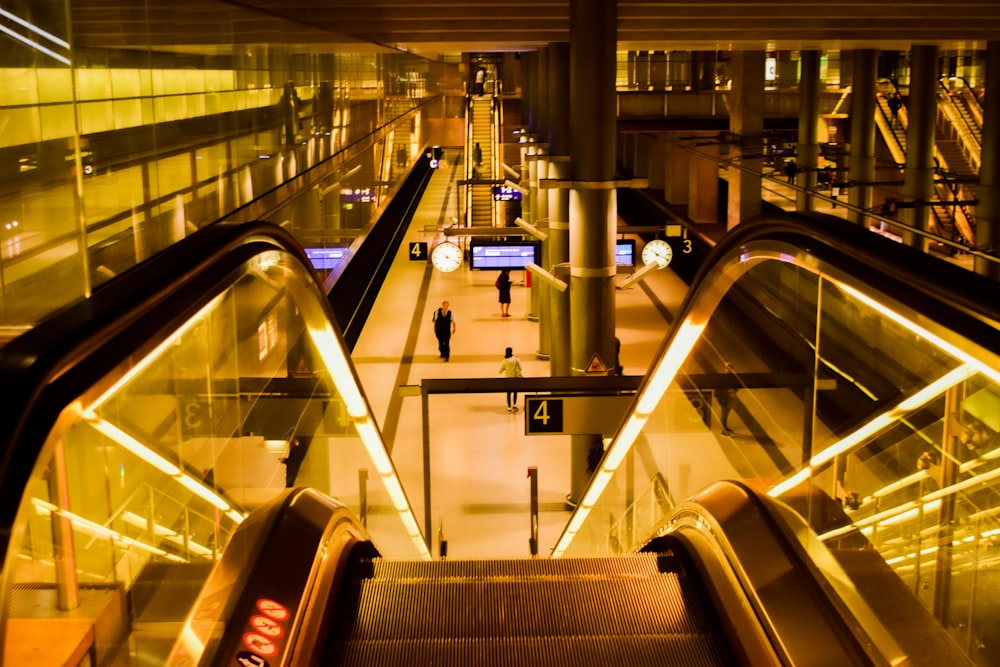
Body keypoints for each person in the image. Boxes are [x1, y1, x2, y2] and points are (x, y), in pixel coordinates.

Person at [498, 347, 523, 413]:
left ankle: (509, 408)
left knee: (508, 394)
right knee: (515, 392)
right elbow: (520, 368)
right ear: (511, 352)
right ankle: (514, 405)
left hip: (508, 380)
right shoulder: (516, 359)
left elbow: (499, 371)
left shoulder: (504, 361)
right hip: (515, 379)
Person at [717, 363, 738, 436]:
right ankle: (723, 430)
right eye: (727, 368)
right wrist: (727, 391)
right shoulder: (722, 378)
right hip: (724, 398)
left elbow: (737, 385)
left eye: (730, 368)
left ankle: (725, 427)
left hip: (731, 397)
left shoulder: (733, 377)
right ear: (725, 369)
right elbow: (718, 389)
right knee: (724, 413)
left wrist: (734, 390)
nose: (728, 370)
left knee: (726, 413)